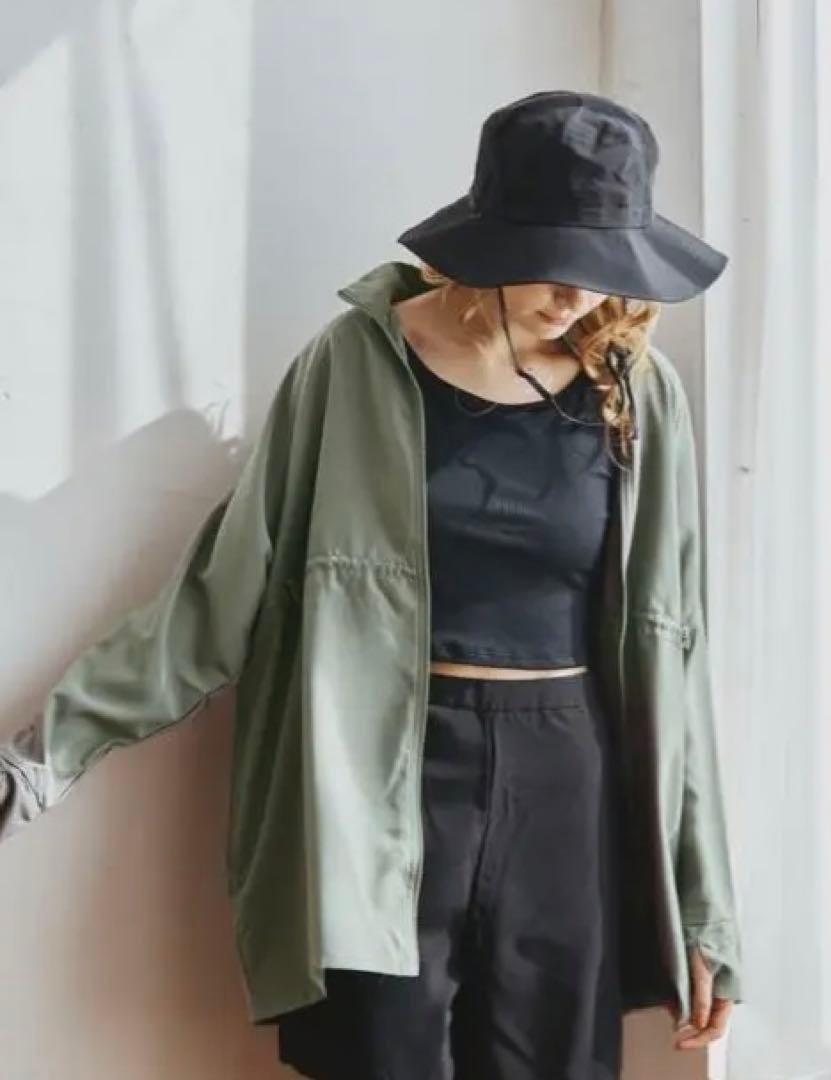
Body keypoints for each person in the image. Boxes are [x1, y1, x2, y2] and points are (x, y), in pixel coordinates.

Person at [0, 89, 742, 1078]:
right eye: (557, 259)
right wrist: (38, 757)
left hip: (569, 780)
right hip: (379, 777)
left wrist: (706, 909)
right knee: (375, 1058)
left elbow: (674, 651)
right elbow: (221, 592)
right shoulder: (355, 364)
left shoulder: (637, 393)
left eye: (605, 264)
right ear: (493, 236)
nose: (579, 293)